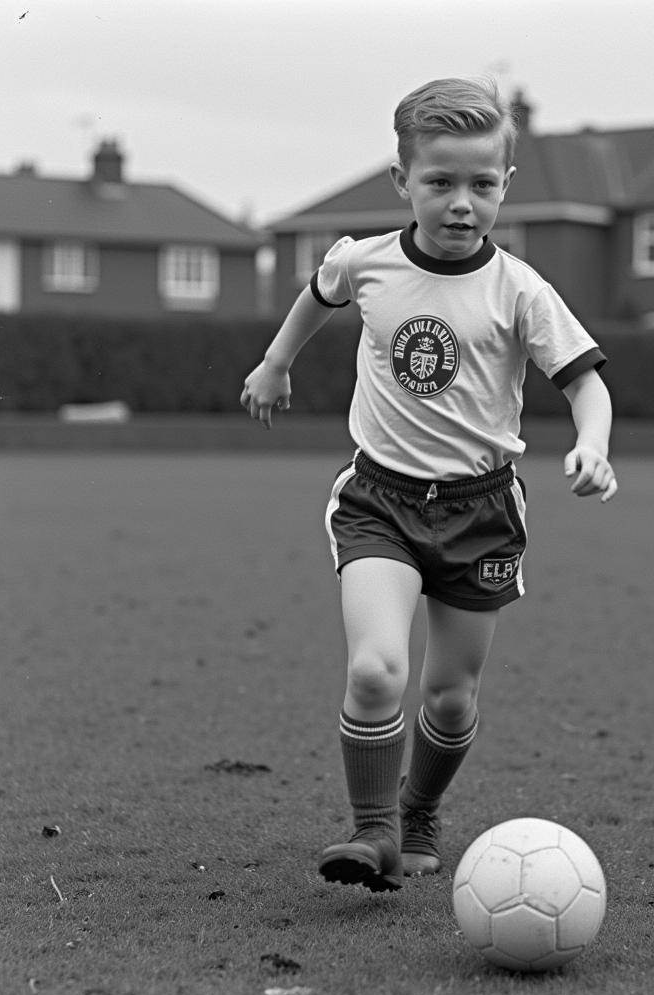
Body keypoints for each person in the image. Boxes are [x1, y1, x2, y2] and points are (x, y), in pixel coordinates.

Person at [241, 77, 617, 893]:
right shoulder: (365, 260)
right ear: (402, 181)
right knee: (377, 670)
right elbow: (318, 294)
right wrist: (276, 364)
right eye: (439, 182)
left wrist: (594, 444)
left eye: (481, 186)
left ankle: (418, 811)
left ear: (505, 187)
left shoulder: (520, 289)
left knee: (449, 698)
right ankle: (372, 832)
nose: (460, 203)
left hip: (481, 512)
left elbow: (585, 381)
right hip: (379, 500)